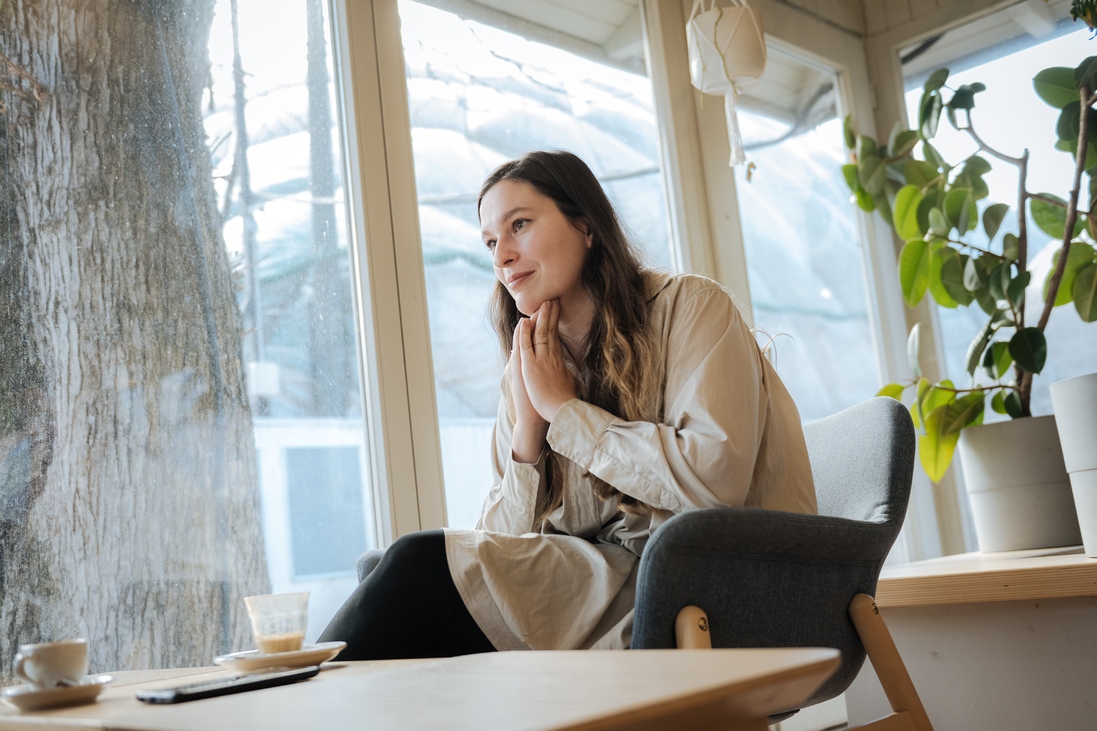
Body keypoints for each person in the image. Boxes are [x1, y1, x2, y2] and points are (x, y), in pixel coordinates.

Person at [319, 150, 816, 659]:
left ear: (586, 226)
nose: (501, 257)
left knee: (417, 564)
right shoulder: (531, 364)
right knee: (392, 567)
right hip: (599, 590)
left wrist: (566, 411)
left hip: (710, 585)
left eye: (520, 225)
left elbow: (716, 482)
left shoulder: (690, 306)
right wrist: (529, 433)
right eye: (491, 242)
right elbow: (499, 548)